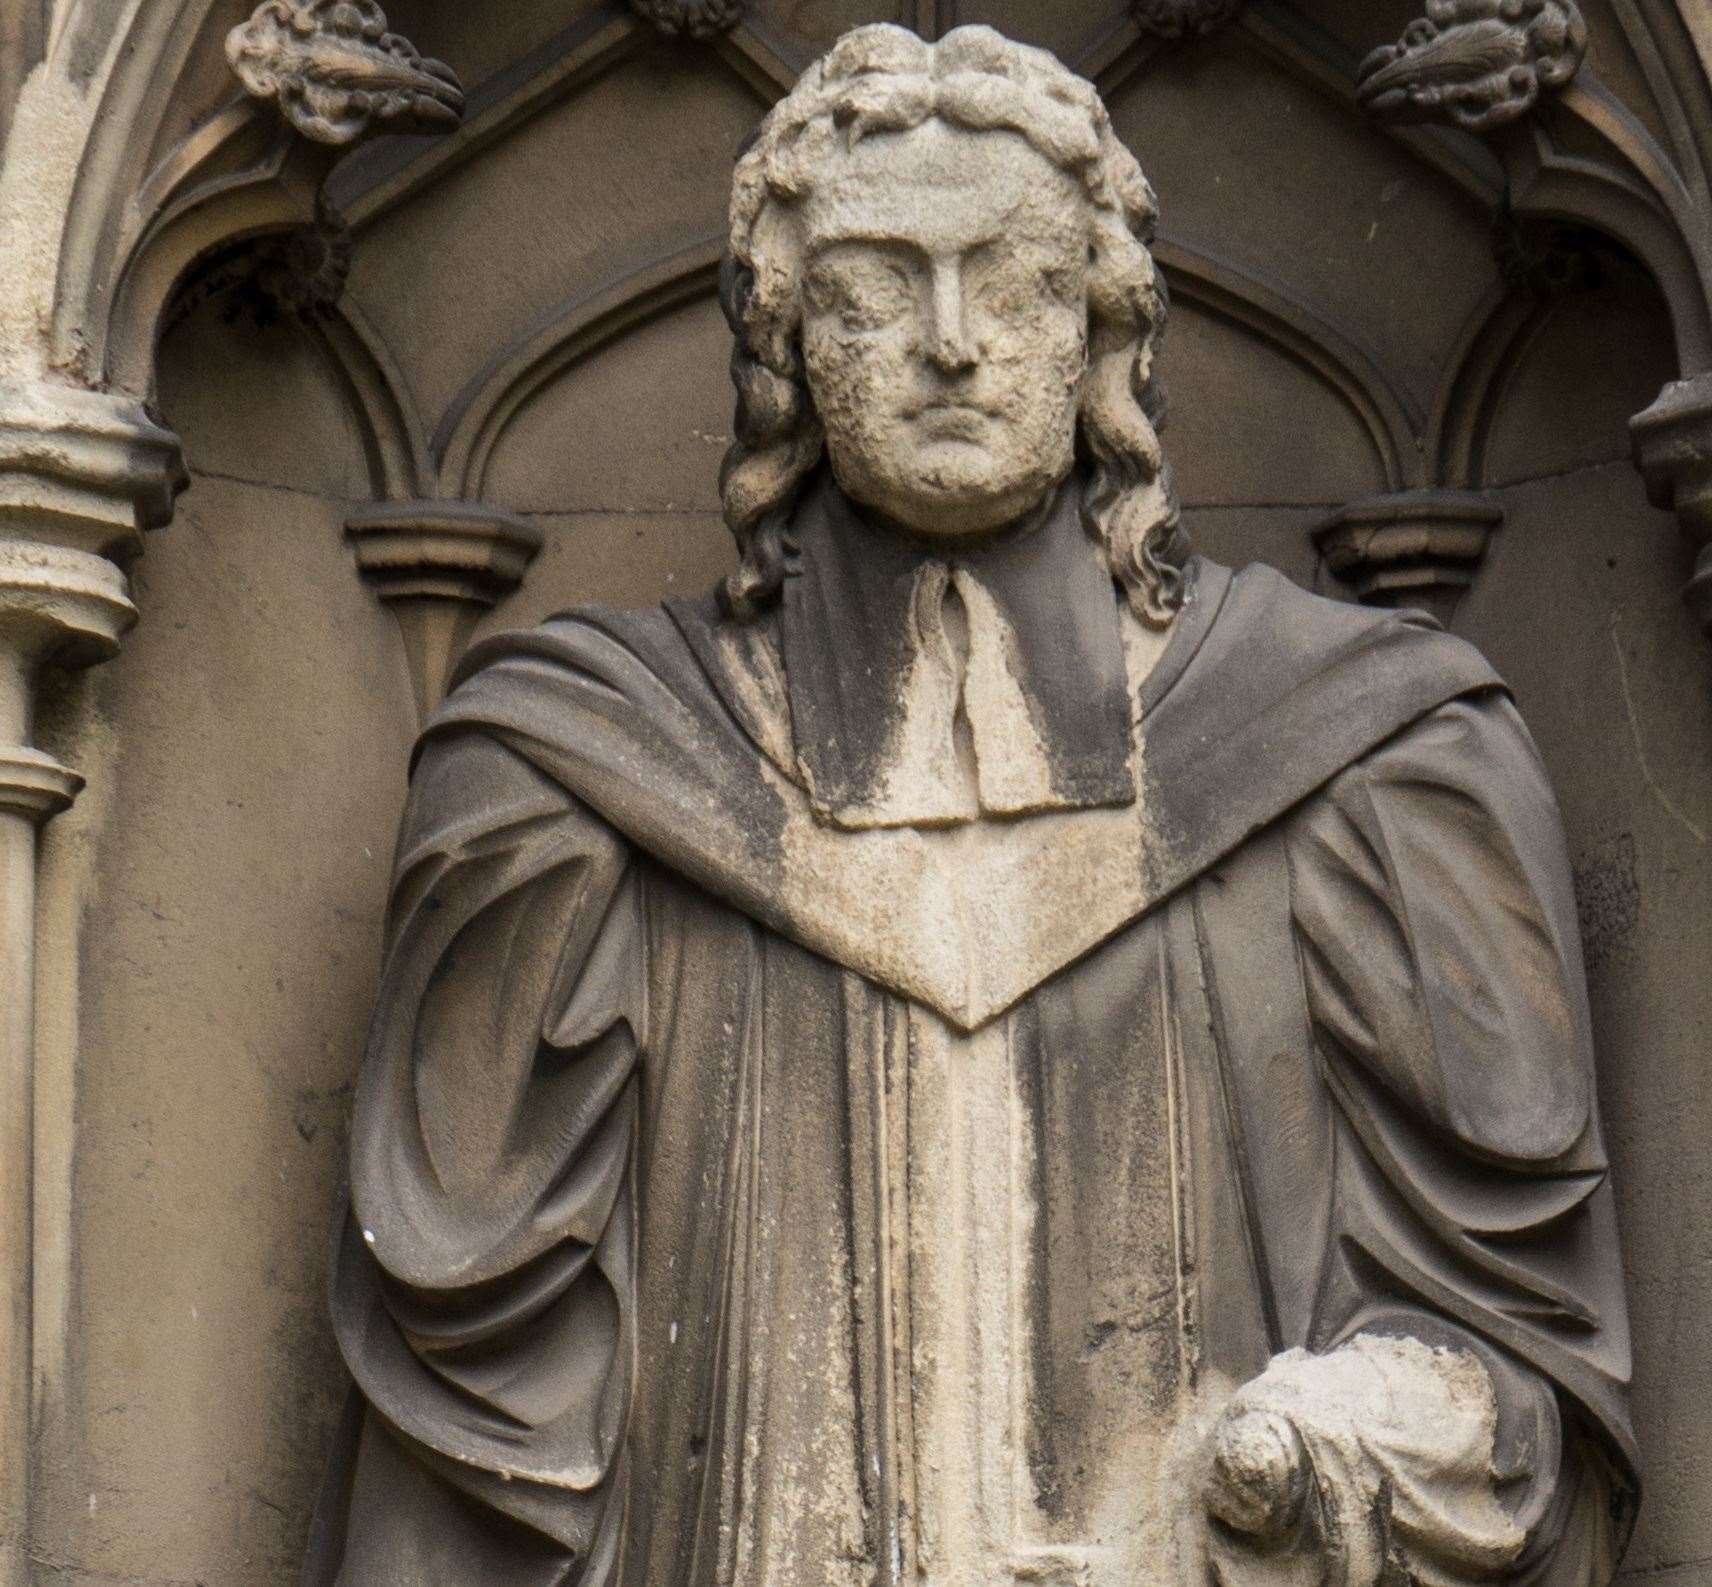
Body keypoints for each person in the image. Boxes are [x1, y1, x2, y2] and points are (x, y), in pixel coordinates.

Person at [305, 24, 1637, 1587]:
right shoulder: (569, 771)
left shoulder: (1371, 752)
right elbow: (463, 1429)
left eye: (1008, 280)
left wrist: (1306, 1460)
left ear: (1100, 328)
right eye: (876, 284)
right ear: (785, 342)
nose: (952, 342)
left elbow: (1514, 1363)